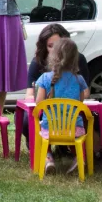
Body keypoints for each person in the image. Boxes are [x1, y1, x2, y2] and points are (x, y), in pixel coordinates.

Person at [34, 37, 90, 174]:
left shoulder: (45, 78)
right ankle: (78, 158)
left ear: (53, 56)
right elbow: (80, 103)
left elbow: (39, 104)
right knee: (74, 139)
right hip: (74, 129)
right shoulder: (79, 79)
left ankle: (48, 159)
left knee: (44, 133)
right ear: (75, 58)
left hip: (50, 129)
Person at [26, 24, 91, 99]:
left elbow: (86, 93)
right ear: (45, 47)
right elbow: (29, 95)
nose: (55, 50)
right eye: (50, 46)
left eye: (58, 46)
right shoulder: (38, 62)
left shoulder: (78, 59)